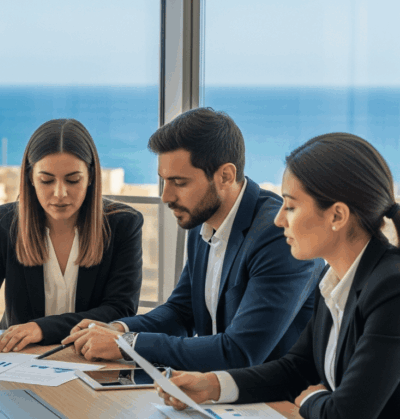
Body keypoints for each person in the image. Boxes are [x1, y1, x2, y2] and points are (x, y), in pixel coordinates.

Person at [156, 133, 400, 419]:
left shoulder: (390, 290)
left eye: (291, 206)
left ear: (337, 216)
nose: (279, 219)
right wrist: (211, 385)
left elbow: (346, 414)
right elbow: (296, 368)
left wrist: (312, 398)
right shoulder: (334, 280)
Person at [63, 107, 323, 371]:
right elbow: (181, 311)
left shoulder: (277, 236)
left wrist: (127, 343)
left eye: (179, 182)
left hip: (279, 403)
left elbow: (240, 352)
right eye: (164, 181)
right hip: (218, 391)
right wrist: (117, 328)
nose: (166, 196)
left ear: (225, 176)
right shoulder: (204, 221)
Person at [0, 118, 144, 357]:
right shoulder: (5, 223)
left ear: (90, 176)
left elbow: (119, 310)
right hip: (19, 361)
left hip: (91, 360)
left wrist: (41, 328)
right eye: (46, 180)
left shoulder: (123, 224)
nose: (60, 193)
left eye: (73, 180)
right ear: (30, 177)